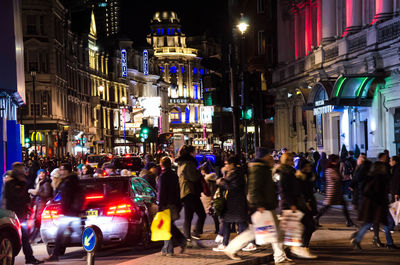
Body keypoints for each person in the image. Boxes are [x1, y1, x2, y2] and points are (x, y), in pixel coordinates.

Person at [223, 147, 292, 264]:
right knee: (270, 231)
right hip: (262, 206)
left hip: (266, 205)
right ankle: (279, 257)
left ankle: (231, 248)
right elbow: (254, 188)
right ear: (264, 156)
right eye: (269, 155)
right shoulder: (257, 169)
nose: (271, 157)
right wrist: (259, 204)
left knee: (260, 231)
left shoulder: (263, 168)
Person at [351, 160, 399, 250]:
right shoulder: (378, 178)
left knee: (370, 223)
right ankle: (389, 243)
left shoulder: (373, 177)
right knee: (386, 222)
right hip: (378, 205)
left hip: (376, 205)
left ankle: (357, 239)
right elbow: (373, 192)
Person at [277, 153, 317, 259]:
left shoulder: (291, 172)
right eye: (289, 160)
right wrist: (292, 204)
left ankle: (295, 249)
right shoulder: (284, 173)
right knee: (304, 226)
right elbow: (283, 191)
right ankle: (297, 249)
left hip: (296, 204)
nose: (291, 162)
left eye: (292, 159)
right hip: (290, 205)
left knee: (296, 228)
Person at [3, 162, 43, 264]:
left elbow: (24, 198)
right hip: (13, 215)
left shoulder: (21, 182)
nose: (23, 170)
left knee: (24, 237)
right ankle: (29, 258)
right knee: (23, 236)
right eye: (21, 168)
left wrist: (28, 209)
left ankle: (29, 258)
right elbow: (12, 198)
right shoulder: (11, 183)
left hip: (20, 214)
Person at [45, 163, 83, 261]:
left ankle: (90, 251)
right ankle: (55, 254)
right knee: (62, 233)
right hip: (67, 212)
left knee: (79, 233)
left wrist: (75, 209)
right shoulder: (66, 181)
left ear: (67, 171)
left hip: (71, 213)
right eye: (60, 170)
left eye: (62, 170)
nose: (61, 172)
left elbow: (75, 197)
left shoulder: (71, 181)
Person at [213, 155, 248, 252]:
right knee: (226, 222)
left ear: (232, 164)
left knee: (241, 224)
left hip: (237, 202)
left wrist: (222, 182)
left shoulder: (238, 174)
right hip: (230, 203)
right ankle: (225, 243)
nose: (225, 166)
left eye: (227, 164)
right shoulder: (230, 173)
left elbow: (233, 187)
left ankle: (249, 243)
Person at [175, 145, 206, 247]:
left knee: (189, 216)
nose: (195, 153)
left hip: (184, 192)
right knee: (202, 214)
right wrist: (200, 171)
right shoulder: (189, 163)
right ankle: (196, 234)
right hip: (190, 192)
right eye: (194, 152)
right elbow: (193, 177)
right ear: (190, 153)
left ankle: (187, 239)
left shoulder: (181, 163)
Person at [157, 156, 186, 256]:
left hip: (166, 205)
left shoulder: (162, 176)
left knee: (167, 226)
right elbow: (177, 190)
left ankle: (170, 248)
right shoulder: (174, 175)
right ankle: (168, 248)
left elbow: (161, 193)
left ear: (161, 165)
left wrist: (160, 205)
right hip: (174, 203)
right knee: (169, 225)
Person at [315, 154, 354, 227]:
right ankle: (316, 219)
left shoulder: (333, 167)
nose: (338, 160)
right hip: (333, 191)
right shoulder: (330, 168)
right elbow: (336, 178)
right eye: (337, 159)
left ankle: (349, 220)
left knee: (342, 206)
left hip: (336, 191)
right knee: (327, 207)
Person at [28, 169, 53, 243]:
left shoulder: (46, 183)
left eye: (43, 173)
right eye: (40, 173)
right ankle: (34, 238)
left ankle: (33, 238)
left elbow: (46, 194)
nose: (41, 175)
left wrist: (36, 193)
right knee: (38, 223)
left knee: (40, 222)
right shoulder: (39, 182)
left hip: (43, 204)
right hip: (39, 204)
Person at [199, 164, 219, 234]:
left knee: (201, 215)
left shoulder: (205, 179)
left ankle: (199, 230)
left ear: (203, 171)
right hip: (212, 196)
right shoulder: (214, 177)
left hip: (205, 197)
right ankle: (217, 229)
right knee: (214, 214)